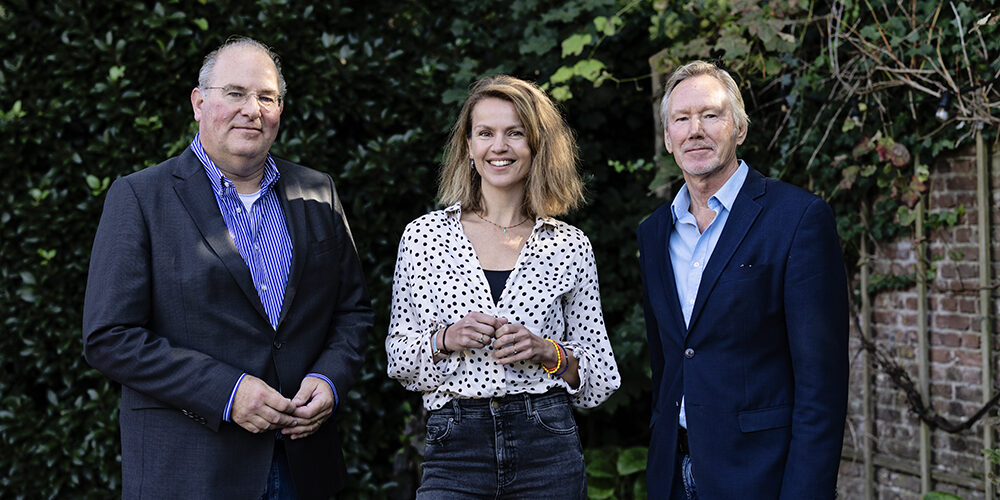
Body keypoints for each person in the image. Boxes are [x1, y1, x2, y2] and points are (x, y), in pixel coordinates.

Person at [82, 36, 372, 499]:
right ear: (199, 103)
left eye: (267, 97)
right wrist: (227, 392)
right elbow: (109, 337)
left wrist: (329, 379)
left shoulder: (318, 192)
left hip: (304, 467)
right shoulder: (140, 197)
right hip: (192, 472)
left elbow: (352, 312)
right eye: (235, 93)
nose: (252, 109)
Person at [386, 75, 620, 498]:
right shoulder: (424, 237)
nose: (499, 146)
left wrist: (547, 351)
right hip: (455, 446)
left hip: (546, 445)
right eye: (485, 133)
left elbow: (600, 377)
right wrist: (444, 338)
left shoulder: (568, 245)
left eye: (515, 133)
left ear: (536, 145)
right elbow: (398, 359)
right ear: (468, 146)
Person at [637, 60, 849, 498]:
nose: (695, 130)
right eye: (682, 119)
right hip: (673, 473)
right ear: (668, 138)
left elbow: (821, 386)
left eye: (711, 115)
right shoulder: (654, 232)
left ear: (740, 129)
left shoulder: (798, 219)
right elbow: (668, 362)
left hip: (760, 476)